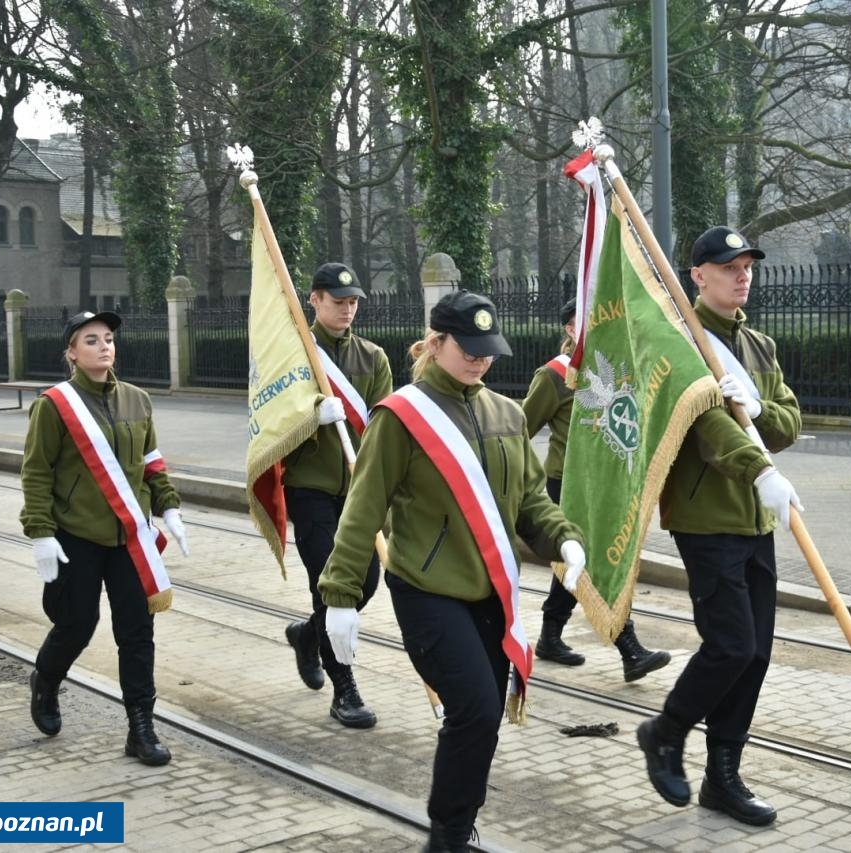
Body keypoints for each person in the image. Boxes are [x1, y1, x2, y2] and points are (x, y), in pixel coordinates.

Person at [318, 290, 587, 852]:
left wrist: (564, 538)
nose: (480, 360)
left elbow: (531, 499)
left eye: (488, 350)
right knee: (476, 709)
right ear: (436, 343)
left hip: (492, 590)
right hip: (428, 590)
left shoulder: (506, 413)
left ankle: (458, 824)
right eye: (467, 348)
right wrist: (340, 595)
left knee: (479, 721)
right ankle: (445, 837)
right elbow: (362, 507)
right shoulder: (400, 416)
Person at [636, 226, 803, 828]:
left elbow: (787, 419)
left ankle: (723, 778)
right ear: (697, 275)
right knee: (730, 643)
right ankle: (665, 731)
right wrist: (759, 468)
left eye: (748, 265)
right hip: (707, 516)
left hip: (757, 516)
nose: (743, 275)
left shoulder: (757, 345)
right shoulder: (680, 342)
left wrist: (758, 409)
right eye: (729, 266)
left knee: (754, 653)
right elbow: (710, 433)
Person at [21, 311, 190, 766]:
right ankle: (47, 681)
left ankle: (141, 727)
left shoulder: (137, 400)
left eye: (109, 338)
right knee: (76, 624)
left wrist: (168, 505)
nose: (103, 346)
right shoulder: (55, 405)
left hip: (129, 538)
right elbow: (37, 472)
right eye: (91, 340)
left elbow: (151, 462)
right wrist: (40, 531)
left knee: (137, 632)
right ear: (72, 353)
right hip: (77, 535)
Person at [523, 296, 671, 681]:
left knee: (579, 562)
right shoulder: (555, 375)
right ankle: (629, 648)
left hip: (606, 482)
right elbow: (520, 429)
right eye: (581, 320)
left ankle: (550, 636)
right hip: (566, 483)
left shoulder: (620, 368)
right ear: (569, 330)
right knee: (596, 561)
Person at [281, 262, 392, 729]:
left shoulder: (373, 357)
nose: (347, 309)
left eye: (352, 302)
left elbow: (386, 426)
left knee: (364, 584)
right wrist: (311, 419)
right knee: (331, 587)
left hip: (358, 491)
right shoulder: (292, 354)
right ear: (314, 300)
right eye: (337, 300)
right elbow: (271, 423)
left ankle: (308, 635)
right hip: (311, 488)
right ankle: (344, 688)